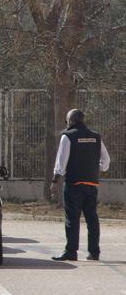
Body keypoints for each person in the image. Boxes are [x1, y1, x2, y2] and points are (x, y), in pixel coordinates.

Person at [50, 109, 110, 262]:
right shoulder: (96, 137)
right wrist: (98, 168)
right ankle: (94, 252)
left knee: (72, 219)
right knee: (92, 218)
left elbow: (61, 161)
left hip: (74, 184)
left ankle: (71, 252)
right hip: (91, 184)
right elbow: (106, 160)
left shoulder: (68, 136)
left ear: (70, 121)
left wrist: (55, 180)